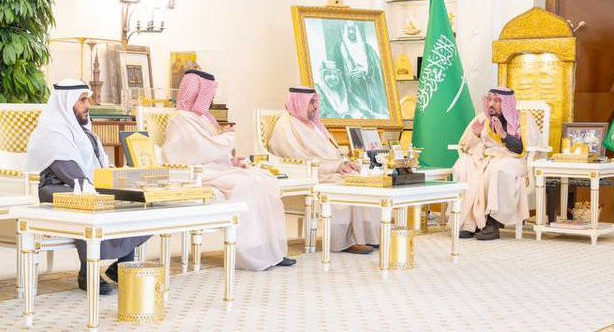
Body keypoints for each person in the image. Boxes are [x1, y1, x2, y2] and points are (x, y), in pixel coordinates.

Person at [160, 70, 294, 270]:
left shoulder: (203, 118)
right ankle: (251, 253)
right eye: (208, 93)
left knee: (266, 180)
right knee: (245, 185)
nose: (211, 98)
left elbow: (211, 150)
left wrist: (230, 161)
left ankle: (272, 250)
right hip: (195, 173)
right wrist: (229, 137)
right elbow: (200, 150)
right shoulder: (180, 119)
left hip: (215, 169)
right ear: (196, 92)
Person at [25, 80, 148, 294]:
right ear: (66, 102)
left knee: (136, 198)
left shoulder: (85, 132)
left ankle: (122, 266)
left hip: (82, 186)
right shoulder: (52, 132)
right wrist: (103, 187)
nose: (88, 105)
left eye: (87, 100)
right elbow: (69, 172)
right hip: (54, 190)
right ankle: (87, 273)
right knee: (88, 199)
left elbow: (100, 166)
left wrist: (119, 180)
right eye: (82, 100)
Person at [267, 87, 378, 254]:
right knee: (346, 185)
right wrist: (335, 166)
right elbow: (296, 157)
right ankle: (345, 241)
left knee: (363, 179)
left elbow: (332, 151)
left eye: (315, 102)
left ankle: (368, 236)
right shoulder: (286, 124)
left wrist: (346, 162)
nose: (315, 107)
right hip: (312, 173)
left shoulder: (314, 124)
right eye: (310, 102)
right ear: (298, 102)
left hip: (329, 170)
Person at [451, 88, 528, 240]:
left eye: (497, 101)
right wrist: (475, 134)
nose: (491, 104)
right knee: (463, 166)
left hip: (512, 159)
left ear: (507, 104)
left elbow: (520, 150)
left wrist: (503, 135)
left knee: (496, 170)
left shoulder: (520, 121)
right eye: (490, 99)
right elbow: (465, 146)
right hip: (485, 157)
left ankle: (492, 224)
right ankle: (470, 223)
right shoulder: (482, 119)